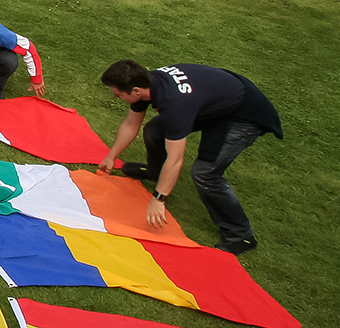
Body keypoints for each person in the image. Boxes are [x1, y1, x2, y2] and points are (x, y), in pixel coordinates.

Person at [98, 60, 282, 255]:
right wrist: (112, 156)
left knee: (205, 174)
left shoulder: (175, 104)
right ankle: (156, 173)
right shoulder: (146, 83)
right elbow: (130, 124)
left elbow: (176, 158)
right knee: (153, 131)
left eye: (118, 95)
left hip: (242, 116)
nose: (115, 97)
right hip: (213, 101)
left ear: (135, 91)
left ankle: (241, 234)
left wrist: (158, 199)